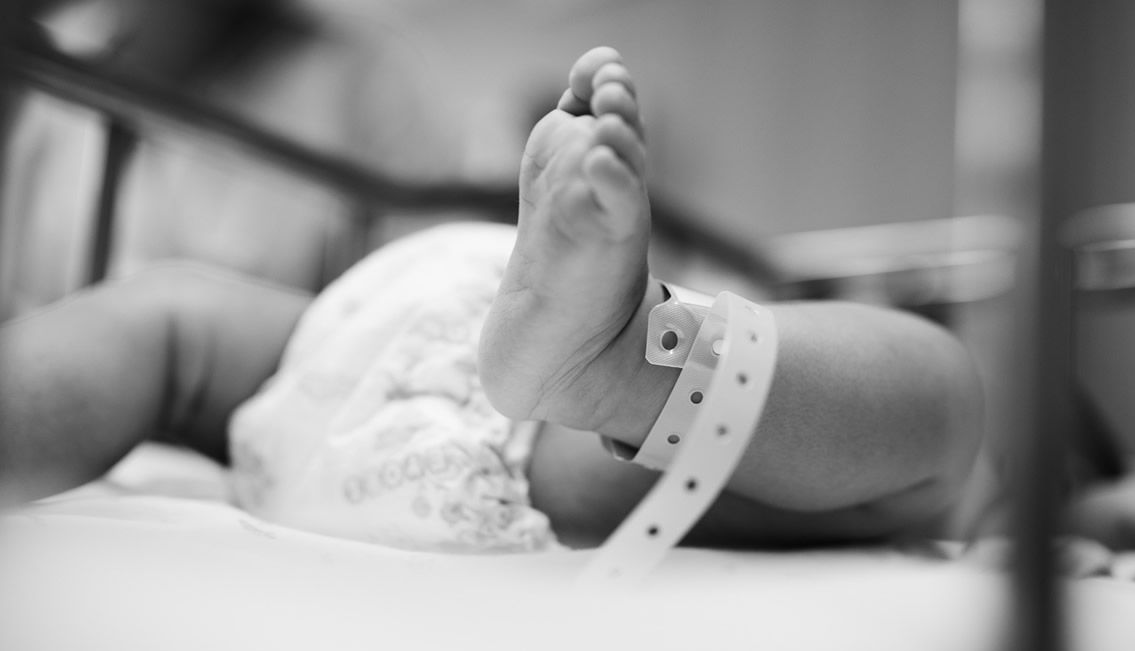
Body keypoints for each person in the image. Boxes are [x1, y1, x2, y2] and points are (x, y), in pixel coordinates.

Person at [0, 47, 984, 551]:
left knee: (166, 323)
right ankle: (629, 358)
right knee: (943, 405)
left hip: (344, 349)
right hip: (533, 419)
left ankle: (617, 351)